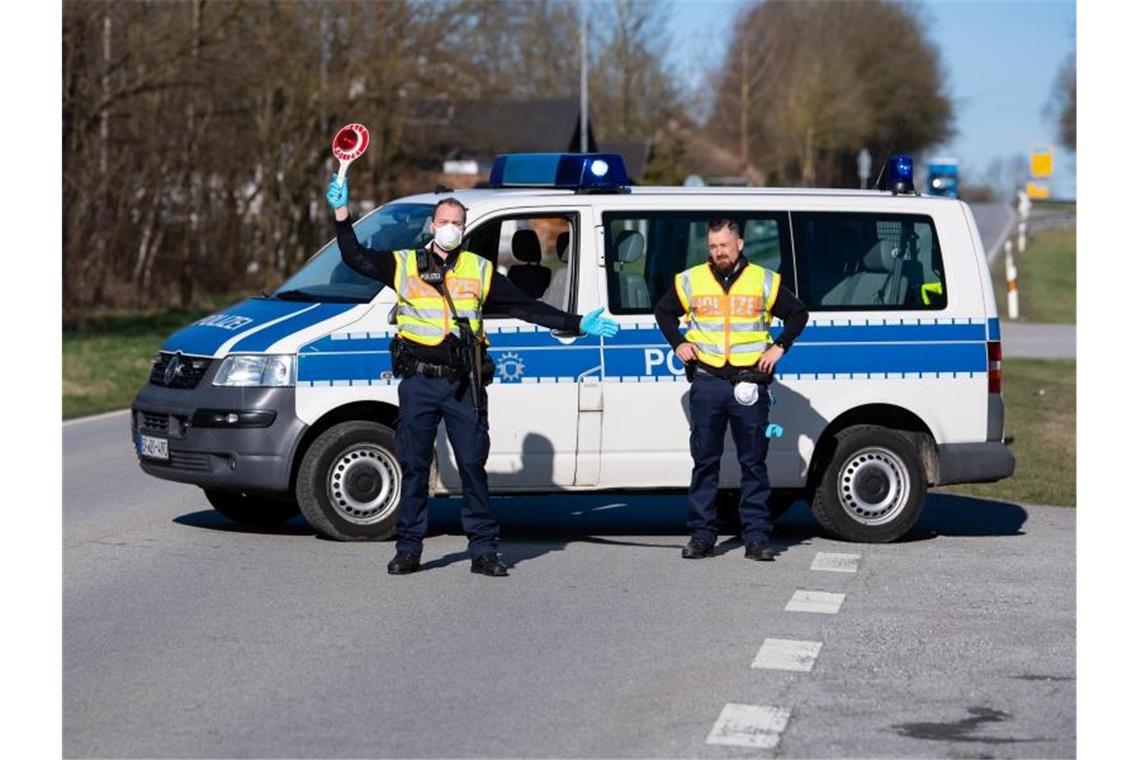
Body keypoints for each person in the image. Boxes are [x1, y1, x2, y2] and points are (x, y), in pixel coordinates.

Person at [326, 176, 618, 577]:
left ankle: (483, 550)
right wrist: (342, 215)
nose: (450, 228)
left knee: (472, 467)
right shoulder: (405, 264)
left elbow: (527, 308)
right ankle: (408, 548)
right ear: (432, 226)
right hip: (420, 381)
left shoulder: (480, 270)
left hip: (465, 384)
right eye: (444, 221)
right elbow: (355, 256)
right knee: (413, 467)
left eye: (457, 223)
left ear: (463, 229)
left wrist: (579, 322)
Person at [654, 218, 809, 561]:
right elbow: (663, 312)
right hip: (708, 380)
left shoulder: (763, 280)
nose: (718, 252)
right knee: (705, 462)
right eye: (712, 246)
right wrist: (678, 343)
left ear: (739, 244)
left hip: (748, 381)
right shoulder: (692, 279)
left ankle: (756, 538)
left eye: (724, 245)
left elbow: (798, 314)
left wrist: (779, 347)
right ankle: (702, 536)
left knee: (752, 463)